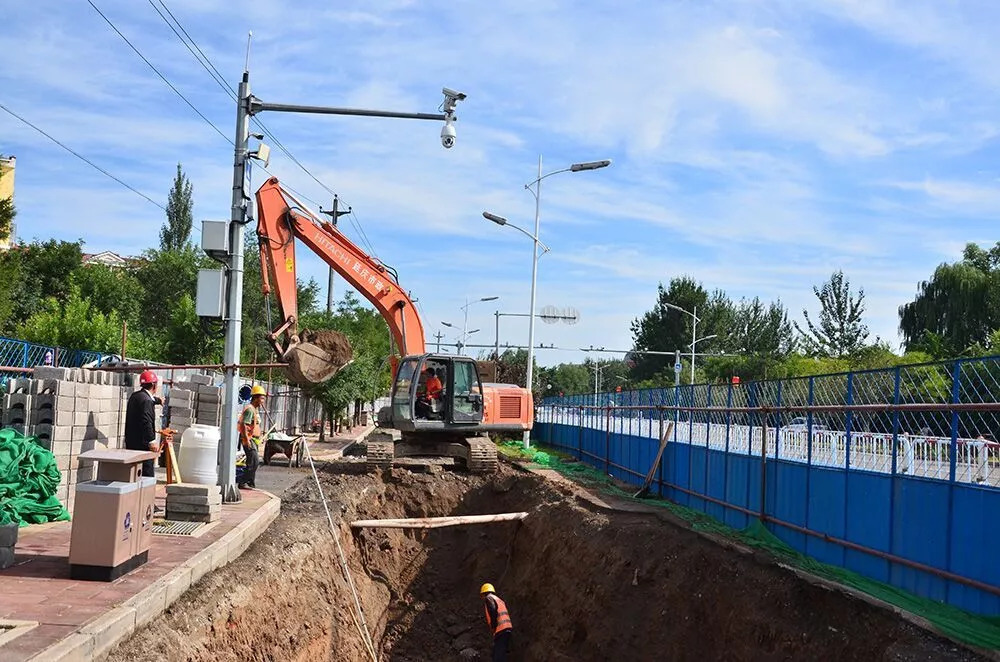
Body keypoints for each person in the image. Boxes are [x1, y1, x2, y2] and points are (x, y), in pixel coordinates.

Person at [124, 370, 161, 479]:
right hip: (143, 445)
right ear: (154, 385)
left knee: (133, 472)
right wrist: (152, 441)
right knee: (146, 473)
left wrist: (158, 400)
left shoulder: (135, 396)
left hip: (132, 442)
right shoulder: (147, 401)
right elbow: (146, 421)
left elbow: (149, 400)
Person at [238, 385, 266, 489]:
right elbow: (244, 425)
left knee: (253, 461)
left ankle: (250, 483)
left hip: (254, 439)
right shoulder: (250, 409)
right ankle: (243, 482)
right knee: (254, 462)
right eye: (262, 398)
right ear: (255, 398)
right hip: (249, 439)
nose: (263, 401)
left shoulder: (254, 409)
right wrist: (247, 440)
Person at [480, 583, 512, 662]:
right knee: (500, 654)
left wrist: (493, 626)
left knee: (498, 657)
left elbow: (493, 611)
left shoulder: (489, 598)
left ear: (484, 593)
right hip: (507, 628)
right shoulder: (499, 600)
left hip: (500, 629)